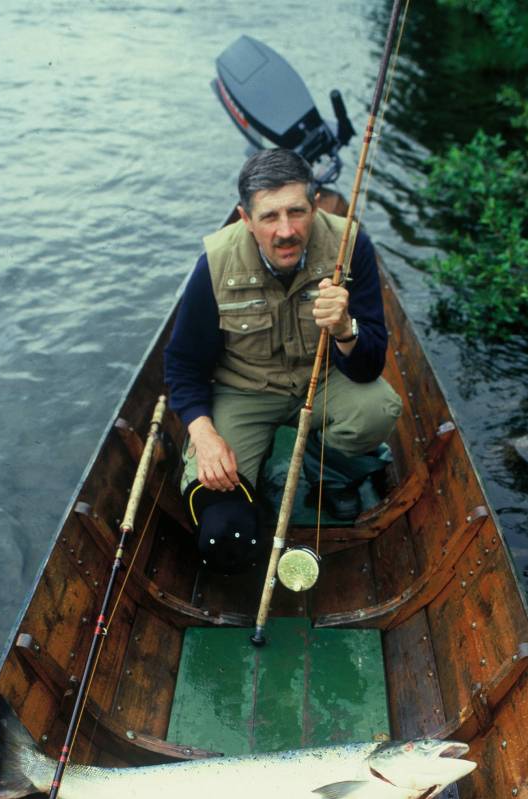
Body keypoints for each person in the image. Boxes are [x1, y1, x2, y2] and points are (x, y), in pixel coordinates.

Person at [164, 148, 401, 569]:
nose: (286, 230)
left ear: (315, 206)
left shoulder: (352, 246)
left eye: (297, 212)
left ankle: (326, 473)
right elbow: (183, 364)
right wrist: (204, 434)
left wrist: (345, 330)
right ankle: (253, 488)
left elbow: (369, 367)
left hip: (325, 379)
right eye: (270, 216)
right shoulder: (214, 265)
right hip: (243, 392)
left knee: (378, 408)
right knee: (223, 528)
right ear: (245, 218)